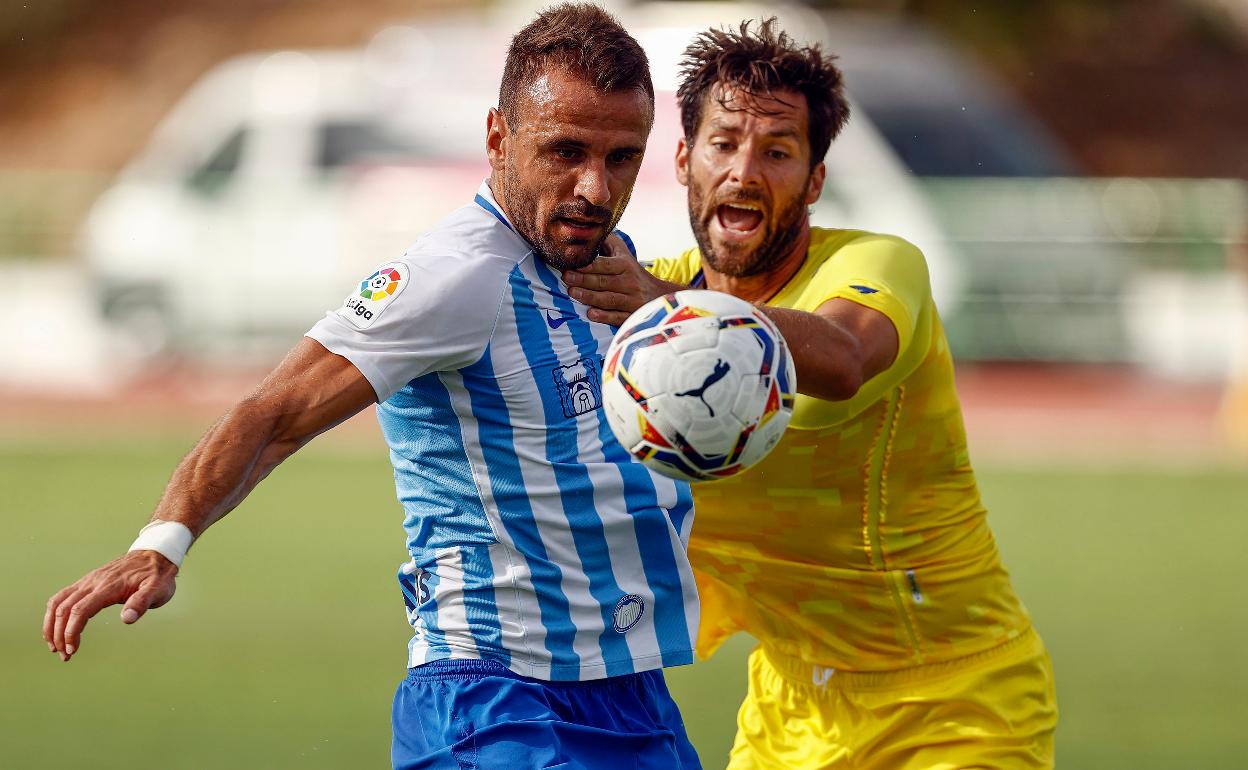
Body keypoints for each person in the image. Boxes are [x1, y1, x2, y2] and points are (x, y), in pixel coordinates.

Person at [42, 5, 703, 769]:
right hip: (496, 699)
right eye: (566, 151)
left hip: (630, 692)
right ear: (498, 137)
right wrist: (161, 543)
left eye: (623, 157)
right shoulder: (452, 279)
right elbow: (276, 411)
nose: (594, 186)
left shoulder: (608, 258)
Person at [563, 18, 1058, 770]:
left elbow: (846, 355)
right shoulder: (644, 306)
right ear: (685, 160)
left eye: (779, 151)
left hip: (957, 699)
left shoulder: (877, 264)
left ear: (816, 180)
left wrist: (667, 307)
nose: (745, 170)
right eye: (724, 143)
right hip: (791, 714)